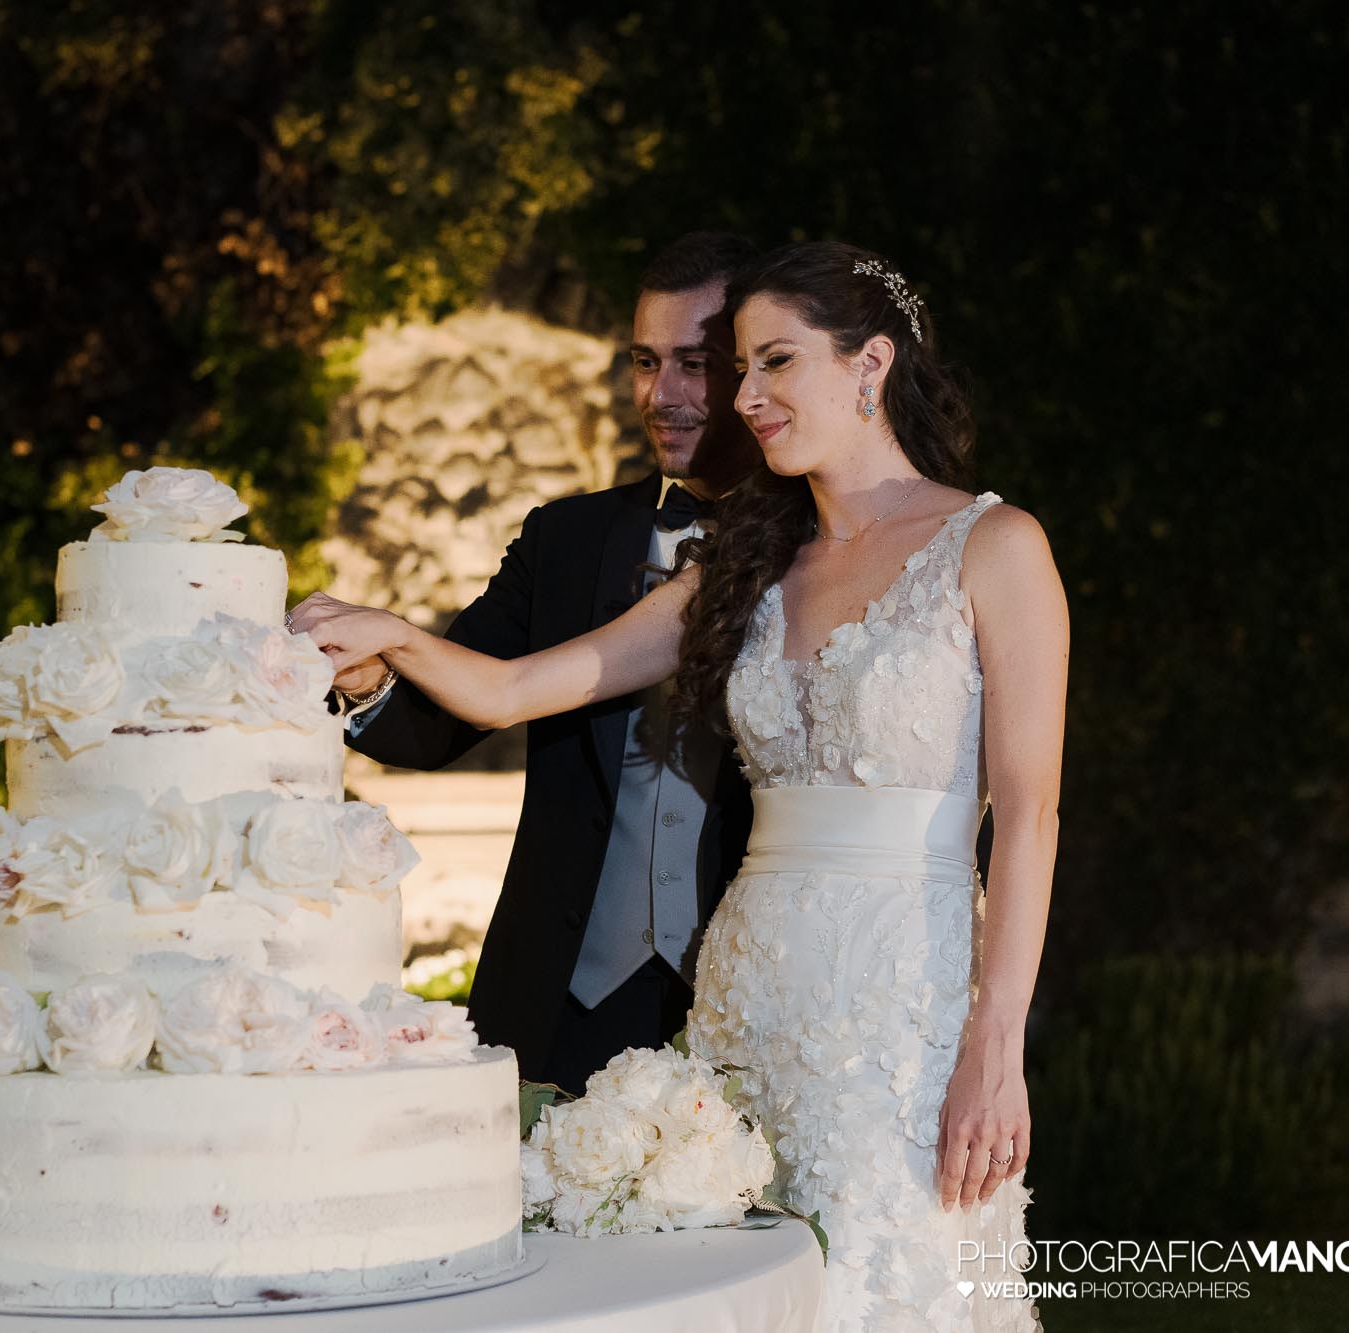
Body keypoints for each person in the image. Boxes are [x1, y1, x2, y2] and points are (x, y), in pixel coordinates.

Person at [293, 240, 1064, 1331]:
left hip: (905, 998)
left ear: (868, 363)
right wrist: (387, 636)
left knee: (890, 1281)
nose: (741, 398)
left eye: (771, 364)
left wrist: (995, 1047)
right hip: (745, 991)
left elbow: (1029, 816)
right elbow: (515, 688)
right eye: (736, 367)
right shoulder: (746, 565)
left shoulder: (995, 546)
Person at [313, 232, 763, 1094]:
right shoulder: (565, 539)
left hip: (749, 1002)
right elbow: (441, 712)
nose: (662, 395)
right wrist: (369, 675)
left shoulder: (828, 555)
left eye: (696, 364)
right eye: (644, 360)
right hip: (561, 1000)